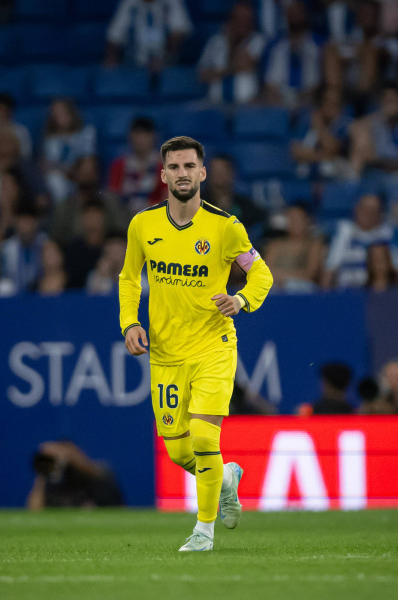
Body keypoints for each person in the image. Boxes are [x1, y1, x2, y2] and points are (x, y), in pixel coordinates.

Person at [119, 136, 273, 552]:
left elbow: (262, 275)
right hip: (166, 354)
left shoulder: (226, 226)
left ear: (202, 173)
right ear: (163, 174)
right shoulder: (143, 225)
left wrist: (241, 299)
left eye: (190, 166)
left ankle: (203, 532)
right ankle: (225, 478)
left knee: (206, 440)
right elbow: (130, 277)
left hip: (213, 345)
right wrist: (129, 321)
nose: (182, 174)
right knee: (179, 452)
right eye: (175, 167)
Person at [323, 194, 398, 288]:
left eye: (374, 209)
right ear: (356, 208)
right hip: (347, 291)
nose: (369, 213)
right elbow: (330, 267)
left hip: (379, 291)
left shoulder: (388, 232)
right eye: (365, 208)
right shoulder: (344, 231)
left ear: (380, 213)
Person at [197, 1, 267, 105]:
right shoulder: (216, 42)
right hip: (215, 104)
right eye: (239, 18)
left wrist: (219, 72)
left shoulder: (259, 41)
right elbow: (201, 76)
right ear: (231, 19)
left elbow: (251, 66)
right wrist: (232, 68)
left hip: (248, 105)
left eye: (246, 19)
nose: (243, 22)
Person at [26, 441, 124, 509]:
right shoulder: (52, 480)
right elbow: (34, 510)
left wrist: (71, 455)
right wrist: (45, 467)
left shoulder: (96, 474)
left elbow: (95, 472)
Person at [263, 1, 322, 108]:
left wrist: (304, 98)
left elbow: (317, 83)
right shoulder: (275, 46)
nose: (294, 15)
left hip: (310, 102)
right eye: (291, 12)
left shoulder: (317, 45)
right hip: (279, 102)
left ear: (305, 15)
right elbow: (270, 83)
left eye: (298, 12)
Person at [105, 0, 192, 71]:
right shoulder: (128, 3)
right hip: (134, 64)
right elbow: (114, 37)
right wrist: (112, 57)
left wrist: (164, 58)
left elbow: (179, 33)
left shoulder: (172, 2)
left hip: (165, 65)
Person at [42, 98, 96, 203]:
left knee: (86, 168)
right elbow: (48, 165)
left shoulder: (86, 133)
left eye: (62, 112)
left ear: (71, 112)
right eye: (55, 113)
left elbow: (88, 161)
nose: (59, 116)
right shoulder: (50, 140)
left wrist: (71, 170)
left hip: (80, 178)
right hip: (59, 180)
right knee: (54, 179)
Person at [107, 116, 165, 215]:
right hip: (125, 216)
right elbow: (114, 195)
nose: (141, 139)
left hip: (153, 216)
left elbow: (165, 196)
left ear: (154, 137)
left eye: (145, 135)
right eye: (137, 134)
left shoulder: (163, 166)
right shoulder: (119, 165)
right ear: (130, 137)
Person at [263, 204, 326, 291]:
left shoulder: (314, 246)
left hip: (303, 291)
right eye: (291, 219)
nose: (294, 223)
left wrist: (282, 277)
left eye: (298, 219)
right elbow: (265, 272)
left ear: (307, 220)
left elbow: (310, 274)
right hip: (275, 288)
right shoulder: (275, 245)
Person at [202, 154, 267, 237]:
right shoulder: (197, 204)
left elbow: (261, 221)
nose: (218, 174)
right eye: (215, 170)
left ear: (232, 173)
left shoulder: (244, 204)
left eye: (222, 170)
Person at [0, 203, 47, 293]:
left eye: (29, 222)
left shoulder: (45, 244)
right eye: (22, 222)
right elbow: (3, 278)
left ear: (36, 223)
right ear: (16, 223)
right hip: (14, 297)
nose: (26, 227)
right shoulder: (6, 248)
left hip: (41, 296)